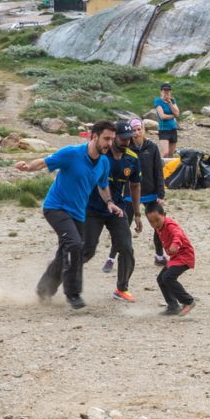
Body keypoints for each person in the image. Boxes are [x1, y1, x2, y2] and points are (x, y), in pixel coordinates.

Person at [15, 121, 122, 309]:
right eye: (106, 139)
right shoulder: (72, 153)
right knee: (74, 245)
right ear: (94, 136)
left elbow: (103, 185)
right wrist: (27, 167)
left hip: (78, 213)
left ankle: (44, 289)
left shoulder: (104, 162)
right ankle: (73, 293)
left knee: (67, 251)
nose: (109, 144)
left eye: (112, 140)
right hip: (56, 207)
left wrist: (110, 203)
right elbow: (45, 162)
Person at [83, 121, 143, 302]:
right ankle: (63, 273)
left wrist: (137, 213)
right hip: (93, 209)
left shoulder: (132, 158)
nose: (126, 142)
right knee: (87, 250)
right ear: (113, 137)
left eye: (129, 139)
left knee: (126, 248)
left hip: (117, 210)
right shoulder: (100, 155)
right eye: (123, 139)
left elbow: (135, 185)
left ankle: (121, 288)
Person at [112, 119, 168, 266]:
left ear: (144, 130)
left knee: (158, 224)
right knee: (123, 226)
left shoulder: (152, 147)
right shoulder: (126, 149)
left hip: (150, 192)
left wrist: (160, 194)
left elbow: (158, 171)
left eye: (139, 129)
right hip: (130, 194)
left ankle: (159, 255)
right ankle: (112, 258)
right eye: (134, 130)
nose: (136, 133)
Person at [145, 202, 196, 316]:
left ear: (164, 215)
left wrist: (175, 244)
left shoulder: (170, 225)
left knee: (168, 277)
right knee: (161, 279)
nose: (155, 224)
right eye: (151, 222)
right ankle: (173, 306)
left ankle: (188, 301)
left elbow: (178, 234)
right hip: (175, 258)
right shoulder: (159, 227)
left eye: (157, 220)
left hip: (184, 256)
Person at [154, 83, 180, 158]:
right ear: (161, 91)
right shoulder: (158, 101)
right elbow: (162, 116)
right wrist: (173, 116)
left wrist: (169, 103)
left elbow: (177, 114)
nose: (166, 92)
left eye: (168, 90)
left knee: (171, 154)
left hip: (173, 129)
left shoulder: (172, 100)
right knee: (165, 153)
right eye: (164, 90)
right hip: (164, 129)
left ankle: (169, 169)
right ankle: (159, 168)